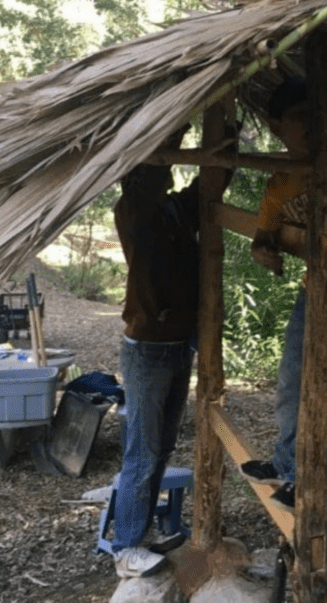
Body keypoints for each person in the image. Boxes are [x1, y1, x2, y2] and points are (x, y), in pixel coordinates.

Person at [240, 78, 327, 512]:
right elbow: (262, 236)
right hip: (314, 288)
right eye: (300, 120)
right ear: (277, 125)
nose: (310, 129)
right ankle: (286, 465)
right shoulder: (282, 177)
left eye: (315, 119)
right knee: (291, 383)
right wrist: (267, 250)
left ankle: (307, 483)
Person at [110, 126, 231, 578]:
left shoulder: (174, 211)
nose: (165, 172)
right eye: (156, 166)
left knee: (159, 449)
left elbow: (208, 186)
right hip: (147, 350)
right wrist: (174, 126)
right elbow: (148, 178)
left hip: (177, 348)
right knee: (141, 452)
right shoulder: (133, 212)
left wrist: (227, 142)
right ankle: (125, 549)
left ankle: (141, 534)